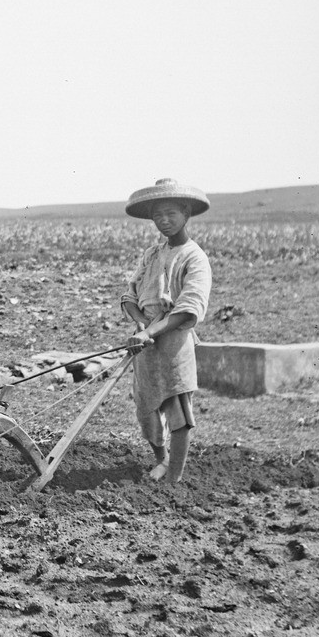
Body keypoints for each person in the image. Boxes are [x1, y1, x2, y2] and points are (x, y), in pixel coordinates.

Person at [120, 179, 213, 484]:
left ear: (186, 213)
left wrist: (151, 331)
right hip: (145, 343)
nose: (164, 221)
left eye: (171, 213)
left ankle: (174, 477)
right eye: (158, 215)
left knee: (177, 412)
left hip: (173, 342)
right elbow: (130, 295)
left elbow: (188, 309)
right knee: (146, 408)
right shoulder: (151, 254)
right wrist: (140, 324)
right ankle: (161, 459)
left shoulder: (194, 257)